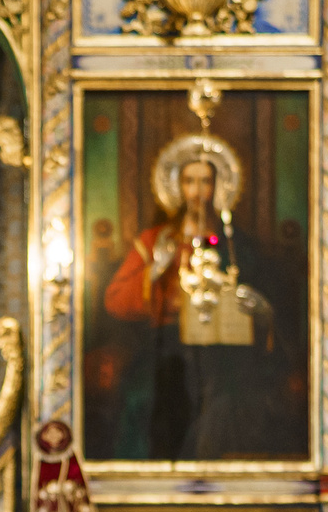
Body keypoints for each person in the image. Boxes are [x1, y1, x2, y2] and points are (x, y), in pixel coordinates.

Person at [98, 145, 283, 460]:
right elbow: (115, 300)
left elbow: (263, 298)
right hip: (167, 344)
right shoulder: (155, 241)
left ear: (218, 187)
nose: (197, 191)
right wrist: (154, 270)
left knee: (232, 398)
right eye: (189, 181)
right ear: (178, 187)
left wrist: (259, 309)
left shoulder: (235, 244)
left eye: (205, 181)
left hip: (225, 346)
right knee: (144, 397)